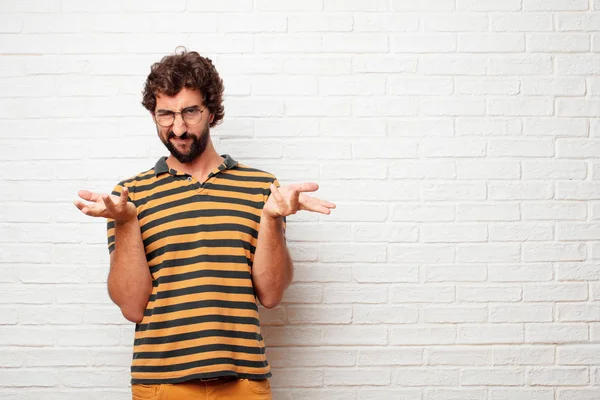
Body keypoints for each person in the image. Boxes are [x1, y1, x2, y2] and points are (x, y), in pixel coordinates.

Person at [73, 48, 336, 400]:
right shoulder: (128, 196)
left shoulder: (262, 189)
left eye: (190, 112)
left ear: (212, 111)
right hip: (160, 384)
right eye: (165, 114)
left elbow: (271, 295)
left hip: (243, 382)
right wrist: (127, 222)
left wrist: (272, 218)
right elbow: (132, 307)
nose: (178, 128)